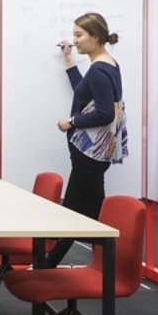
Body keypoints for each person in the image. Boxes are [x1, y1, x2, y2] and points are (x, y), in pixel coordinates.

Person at [57, 11, 123, 220]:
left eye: (79, 35)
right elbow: (81, 89)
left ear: (95, 36)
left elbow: (105, 114)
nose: (75, 41)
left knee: (72, 211)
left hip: (89, 154)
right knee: (90, 211)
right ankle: (103, 251)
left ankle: (53, 255)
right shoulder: (107, 64)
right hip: (95, 153)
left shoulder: (98, 70)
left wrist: (72, 121)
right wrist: (68, 58)